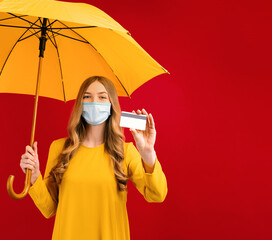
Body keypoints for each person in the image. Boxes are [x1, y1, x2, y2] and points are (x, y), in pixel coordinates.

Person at [19, 76, 167, 240]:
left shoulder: (125, 152)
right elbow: (49, 209)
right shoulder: (60, 148)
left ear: (112, 105)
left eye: (102, 97)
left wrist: (148, 154)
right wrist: (34, 177)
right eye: (87, 96)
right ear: (79, 105)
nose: (94, 102)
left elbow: (157, 195)